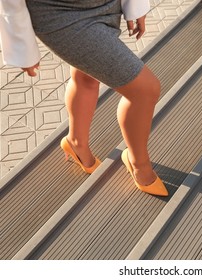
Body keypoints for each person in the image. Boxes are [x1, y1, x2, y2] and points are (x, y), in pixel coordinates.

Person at [0, 0, 168, 197]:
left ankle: (76, 142)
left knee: (86, 75)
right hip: (61, 13)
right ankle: (139, 164)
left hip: (107, 6)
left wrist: (136, 4)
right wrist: (22, 47)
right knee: (145, 90)